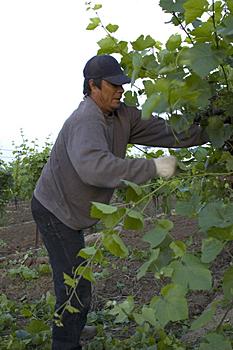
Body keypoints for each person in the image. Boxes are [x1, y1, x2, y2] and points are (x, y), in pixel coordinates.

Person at [31, 54, 208, 350]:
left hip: (72, 210)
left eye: (122, 84)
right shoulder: (86, 119)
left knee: (74, 276)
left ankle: (73, 326)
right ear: (93, 86)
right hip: (54, 209)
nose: (120, 90)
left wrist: (209, 129)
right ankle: (65, 342)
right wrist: (153, 167)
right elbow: (96, 168)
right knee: (75, 285)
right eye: (113, 85)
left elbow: (165, 132)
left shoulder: (122, 115)